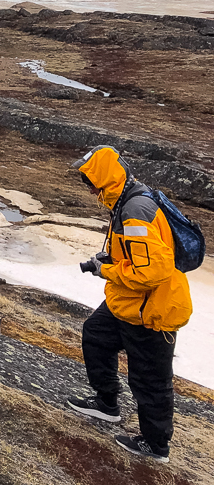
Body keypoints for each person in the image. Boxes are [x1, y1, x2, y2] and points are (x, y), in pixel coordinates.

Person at [66, 146, 191, 464]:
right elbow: (137, 254)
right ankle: (107, 403)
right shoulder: (124, 200)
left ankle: (156, 445)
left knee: (149, 379)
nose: (88, 187)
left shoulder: (134, 210)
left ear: (104, 177)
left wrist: (103, 269)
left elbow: (151, 272)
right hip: (127, 302)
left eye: (89, 179)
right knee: (95, 335)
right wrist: (108, 259)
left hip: (151, 309)